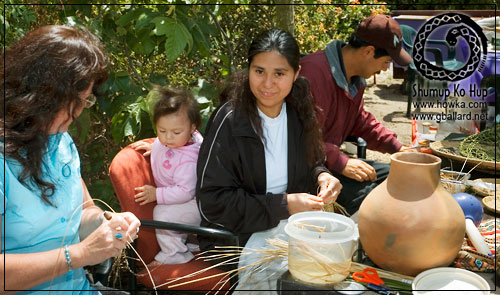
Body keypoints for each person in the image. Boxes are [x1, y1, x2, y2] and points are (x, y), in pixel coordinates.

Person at [1, 25, 140, 293]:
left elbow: (84, 211)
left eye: (85, 102)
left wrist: (108, 223)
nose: (76, 114)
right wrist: (79, 254)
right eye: (74, 101)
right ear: (39, 93)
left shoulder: (59, 140)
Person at [195, 28, 342, 260]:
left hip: (290, 228)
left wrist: (322, 175)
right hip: (235, 240)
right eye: (259, 71)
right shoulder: (230, 120)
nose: (267, 83)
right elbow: (212, 203)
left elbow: (312, 161)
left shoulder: (297, 111)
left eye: (279, 73)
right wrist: (283, 205)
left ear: (296, 74)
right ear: (249, 70)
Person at [300, 15, 413, 214]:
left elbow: (359, 121)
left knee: (401, 175)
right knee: (373, 197)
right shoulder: (313, 74)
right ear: (368, 51)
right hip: (306, 169)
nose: (384, 68)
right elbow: (299, 136)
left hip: (329, 161)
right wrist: (341, 162)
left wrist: (398, 147)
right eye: (386, 61)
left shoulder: (355, 79)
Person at [131, 87, 203, 266]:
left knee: (163, 214)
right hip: (184, 201)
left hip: (195, 204)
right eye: (161, 131)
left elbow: (185, 192)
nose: (168, 138)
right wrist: (155, 147)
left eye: (176, 132)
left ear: (192, 128)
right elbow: (164, 140)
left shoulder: (189, 160)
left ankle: (174, 254)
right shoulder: (172, 140)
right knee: (168, 212)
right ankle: (193, 243)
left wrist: (157, 194)